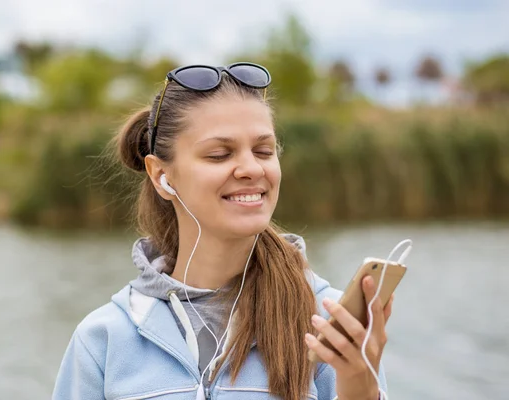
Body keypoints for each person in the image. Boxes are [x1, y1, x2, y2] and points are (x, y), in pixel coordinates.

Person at [52, 63, 392, 400]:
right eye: (219, 155)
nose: (251, 168)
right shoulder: (104, 340)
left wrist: (360, 390)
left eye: (263, 151)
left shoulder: (328, 323)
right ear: (160, 176)